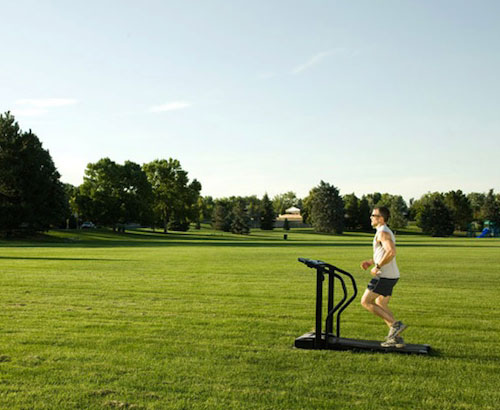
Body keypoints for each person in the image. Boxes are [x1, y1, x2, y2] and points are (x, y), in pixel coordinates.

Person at [360, 206, 407, 347]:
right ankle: (395, 338)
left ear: (381, 218)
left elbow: (391, 252)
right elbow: (384, 252)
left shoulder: (383, 233)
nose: (371, 217)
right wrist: (371, 261)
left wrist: (378, 267)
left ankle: (395, 325)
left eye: (373, 215)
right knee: (381, 303)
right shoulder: (383, 232)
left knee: (366, 302)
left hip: (384, 275)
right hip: (391, 275)